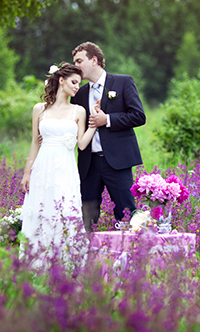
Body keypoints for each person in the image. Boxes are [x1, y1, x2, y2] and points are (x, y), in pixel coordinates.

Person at [19, 63, 102, 266]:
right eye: (74, 82)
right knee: (40, 211)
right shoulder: (39, 109)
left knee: (66, 211)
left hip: (66, 170)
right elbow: (35, 142)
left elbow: (82, 144)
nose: (77, 87)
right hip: (42, 169)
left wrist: (93, 123)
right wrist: (27, 173)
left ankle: (66, 264)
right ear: (61, 81)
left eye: (79, 83)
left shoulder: (78, 111)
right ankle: (36, 263)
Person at [71, 42, 146, 232]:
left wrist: (108, 119)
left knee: (127, 214)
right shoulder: (79, 93)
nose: (76, 66)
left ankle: (132, 249)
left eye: (79, 61)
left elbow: (139, 116)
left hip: (118, 161)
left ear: (94, 60)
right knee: (87, 219)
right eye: (74, 62)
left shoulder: (123, 82)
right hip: (89, 164)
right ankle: (88, 250)